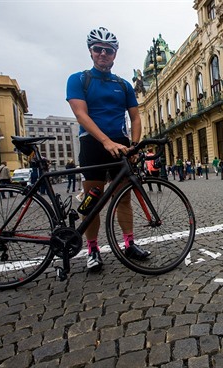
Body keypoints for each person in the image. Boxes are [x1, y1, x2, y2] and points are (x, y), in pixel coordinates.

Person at [66, 26, 149, 272]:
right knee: (92, 202)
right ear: (91, 52)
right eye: (98, 49)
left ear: (115, 54)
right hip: (93, 143)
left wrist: (133, 145)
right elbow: (80, 114)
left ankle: (129, 243)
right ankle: (92, 249)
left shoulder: (123, 85)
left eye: (108, 50)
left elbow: (135, 118)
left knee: (124, 199)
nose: (103, 54)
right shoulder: (79, 79)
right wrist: (104, 141)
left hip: (120, 144)